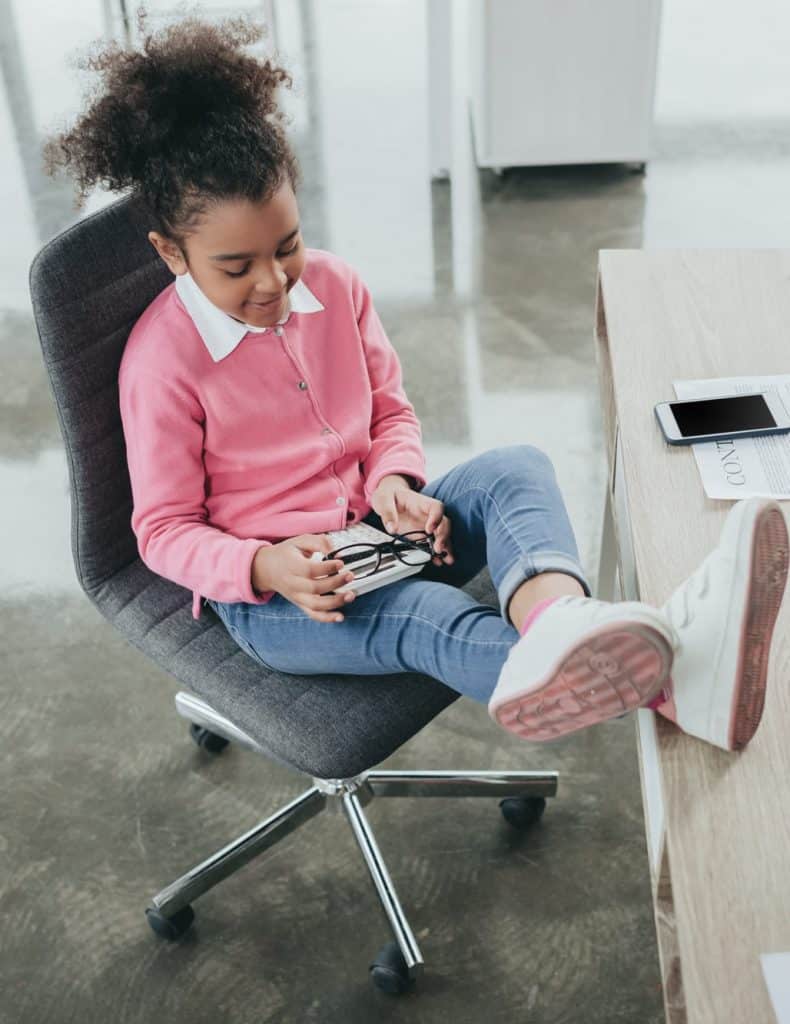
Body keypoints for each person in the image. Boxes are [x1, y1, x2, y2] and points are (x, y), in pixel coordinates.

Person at [44, 12, 788, 752]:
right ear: (171, 254)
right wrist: (264, 564)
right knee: (429, 617)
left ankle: (560, 622)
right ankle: (675, 680)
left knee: (513, 469)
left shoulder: (337, 287)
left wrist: (394, 483)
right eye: (236, 268)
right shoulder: (161, 364)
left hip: (383, 532)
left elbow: (390, 413)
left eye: (288, 246)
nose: (272, 281)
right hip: (284, 598)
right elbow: (163, 534)